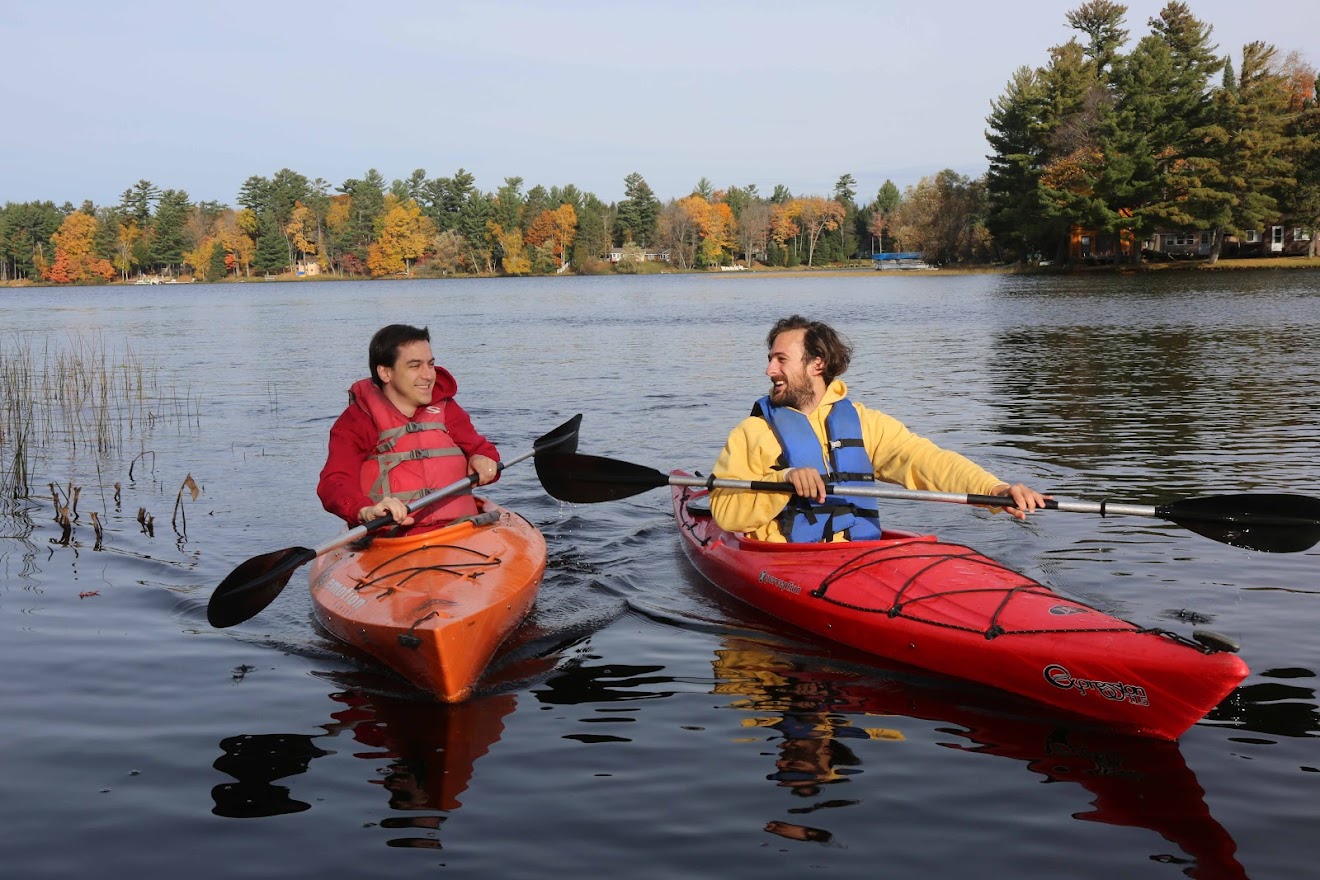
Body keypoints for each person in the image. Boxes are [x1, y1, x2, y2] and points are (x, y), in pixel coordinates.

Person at [709, 315, 1047, 543]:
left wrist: (995, 490)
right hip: (786, 566)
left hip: (858, 556)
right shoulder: (752, 432)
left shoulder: (865, 423)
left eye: (781, 359)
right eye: (770, 359)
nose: (769, 369)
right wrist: (783, 480)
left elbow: (926, 461)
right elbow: (725, 514)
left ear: (817, 364)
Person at [317, 324, 500, 533]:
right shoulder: (358, 421)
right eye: (415, 366)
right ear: (385, 372)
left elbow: (484, 450)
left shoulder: (447, 409)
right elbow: (334, 482)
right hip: (392, 540)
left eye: (430, 364)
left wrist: (481, 458)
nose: (429, 375)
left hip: (459, 530)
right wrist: (365, 510)